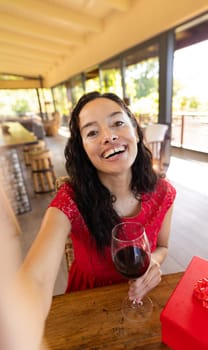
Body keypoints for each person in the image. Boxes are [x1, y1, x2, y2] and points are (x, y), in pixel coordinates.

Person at [2, 91, 176, 349]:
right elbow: (36, 280)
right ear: (82, 149)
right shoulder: (71, 198)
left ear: (136, 132)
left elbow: (162, 247)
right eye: (92, 132)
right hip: (87, 303)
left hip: (143, 298)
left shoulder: (164, 192)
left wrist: (152, 262)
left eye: (118, 122)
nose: (109, 136)